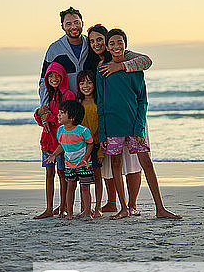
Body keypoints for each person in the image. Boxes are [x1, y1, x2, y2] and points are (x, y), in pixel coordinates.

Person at [97, 28, 181, 220]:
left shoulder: (135, 69)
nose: (117, 46)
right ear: (107, 47)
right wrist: (102, 134)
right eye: (112, 44)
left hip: (134, 126)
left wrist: (139, 127)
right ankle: (124, 208)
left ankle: (160, 208)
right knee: (116, 164)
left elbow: (142, 101)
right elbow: (100, 103)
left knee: (147, 163)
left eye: (120, 43)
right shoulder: (102, 72)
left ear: (126, 45)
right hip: (112, 127)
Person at [86, 24, 152, 214]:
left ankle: (132, 204)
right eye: (92, 41)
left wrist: (120, 66)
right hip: (108, 118)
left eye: (100, 39)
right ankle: (113, 202)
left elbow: (146, 61)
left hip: (130, 117)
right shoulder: (93, 62)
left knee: (132, 163)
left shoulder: (124, 54)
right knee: (109, 163)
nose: (96, 43)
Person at [33, 63, 76, 219]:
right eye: (50, 76)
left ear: (63, 76)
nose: (54, 79)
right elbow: (41, 121)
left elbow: (69, 121)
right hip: (47, 141)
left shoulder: (68, 95)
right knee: (49, 173)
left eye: (57, 75)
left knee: (62, 173)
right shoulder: (49, 95)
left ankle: (63, 207)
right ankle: (49, 208)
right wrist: (39, 114)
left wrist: (48, 117)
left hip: (62, 142)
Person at [45, 100, 94, 220]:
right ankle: (70, 213)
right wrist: (54, 155)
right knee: (70, 187)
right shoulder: (60, 130)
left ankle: (87, 212)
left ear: (72, 117)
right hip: (69, 164)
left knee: (85, 187)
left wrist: (85, 157)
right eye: (59, 112)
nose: (59, 115)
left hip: (83, 164)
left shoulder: (82, 130)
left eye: (62, 113)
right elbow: (62, 145)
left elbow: (90, 143)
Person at [39, 7, 89, 110]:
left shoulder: (91, 45)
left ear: (82, 23)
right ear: (62, 27)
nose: (73, 27)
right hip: (66, 108)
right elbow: (44, 80)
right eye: (68, 24)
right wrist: (45, 109)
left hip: (90, 105)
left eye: (76, 22)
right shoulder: (54, 49)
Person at [77, 70, 103, 218]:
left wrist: (100, 152)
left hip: (97, 145)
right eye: (82, 83)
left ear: (94, 84)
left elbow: (102, 125)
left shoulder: (99, 102)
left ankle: (98, 207)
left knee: (97, 175)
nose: (85, 86)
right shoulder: (78, 103)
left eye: (89, 82)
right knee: (83, 178)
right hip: (82, 147)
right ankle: (85, 208)